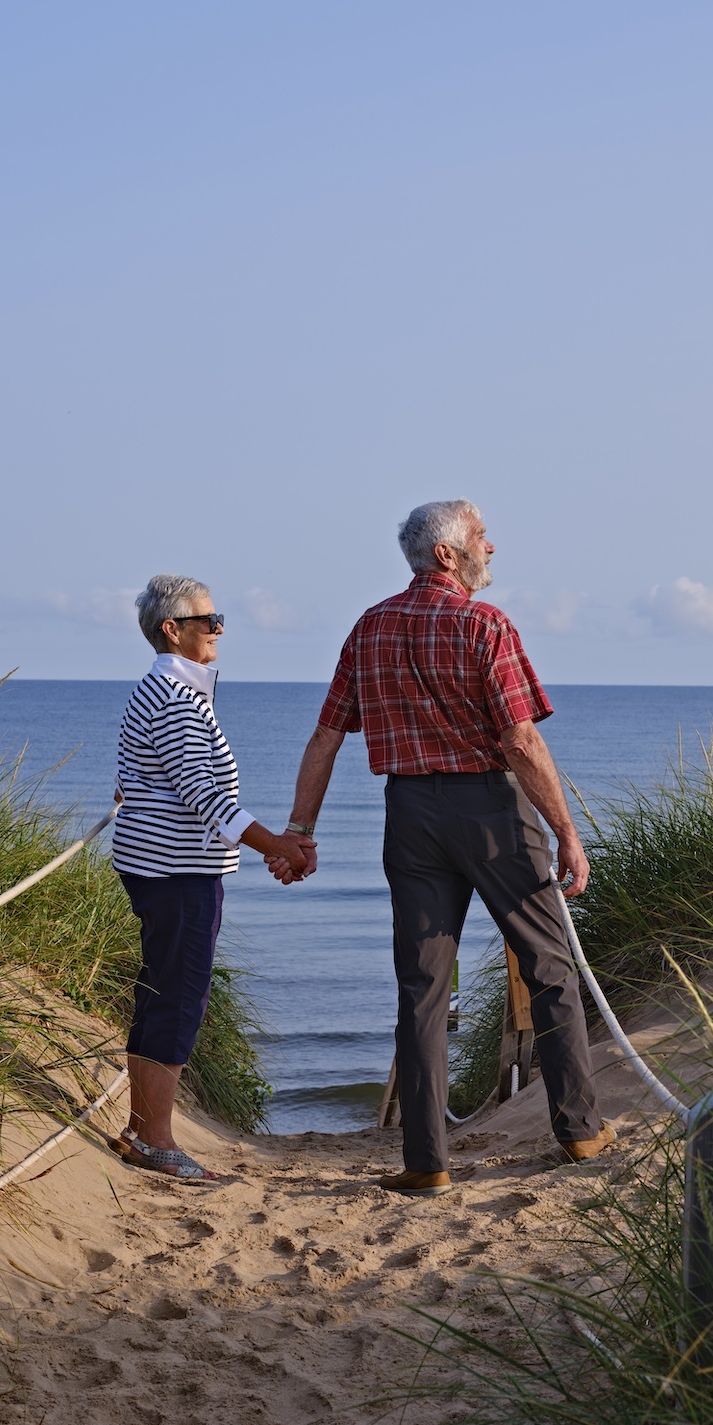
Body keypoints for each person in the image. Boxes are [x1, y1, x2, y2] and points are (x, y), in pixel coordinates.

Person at [285, 501, 607, 1194]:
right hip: (489, 807)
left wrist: (301, 832)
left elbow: (326, 737)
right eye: (482, 539)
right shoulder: (484, 624)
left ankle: (426, 1159)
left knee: (422, 986)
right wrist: (568, 830)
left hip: (409, 811)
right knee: (549, 966)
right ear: (447, 555)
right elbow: (520, 740)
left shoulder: (369, 626)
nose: (494, 548)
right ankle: (580, 1131)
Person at [111, 573, 309, 1184]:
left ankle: (146, 1129)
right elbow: (204, 794)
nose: (219, 630)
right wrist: (277, 844)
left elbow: (153, 779)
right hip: (173, 871)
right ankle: (157, 1139)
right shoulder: (172, 692)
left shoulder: (172, 690)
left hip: (168, 866)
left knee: (165, 990)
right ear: (173, 630)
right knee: (178, 996)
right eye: (208, 621)